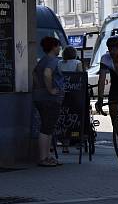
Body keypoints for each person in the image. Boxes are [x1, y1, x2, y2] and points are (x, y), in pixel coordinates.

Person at [32, 36, 64, 167]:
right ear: (53, 47)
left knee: (48, 127)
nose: (59, 49)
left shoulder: (42, 60)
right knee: (47, 127)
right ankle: (44, 157)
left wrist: (39, 87)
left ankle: (47, 156)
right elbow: (47, 73)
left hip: (39, 97)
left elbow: (34, 74)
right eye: (58, 46)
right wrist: (50, 89)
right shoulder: (52, 60)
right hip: (49, 99)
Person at [57, 46, 83, 154]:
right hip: (75, 94)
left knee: (64, 118)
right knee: (77, 117)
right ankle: (78, 140)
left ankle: (65, 145)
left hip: (62, 94)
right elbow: (81, 77)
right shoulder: (77, 63)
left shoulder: (60, 64)